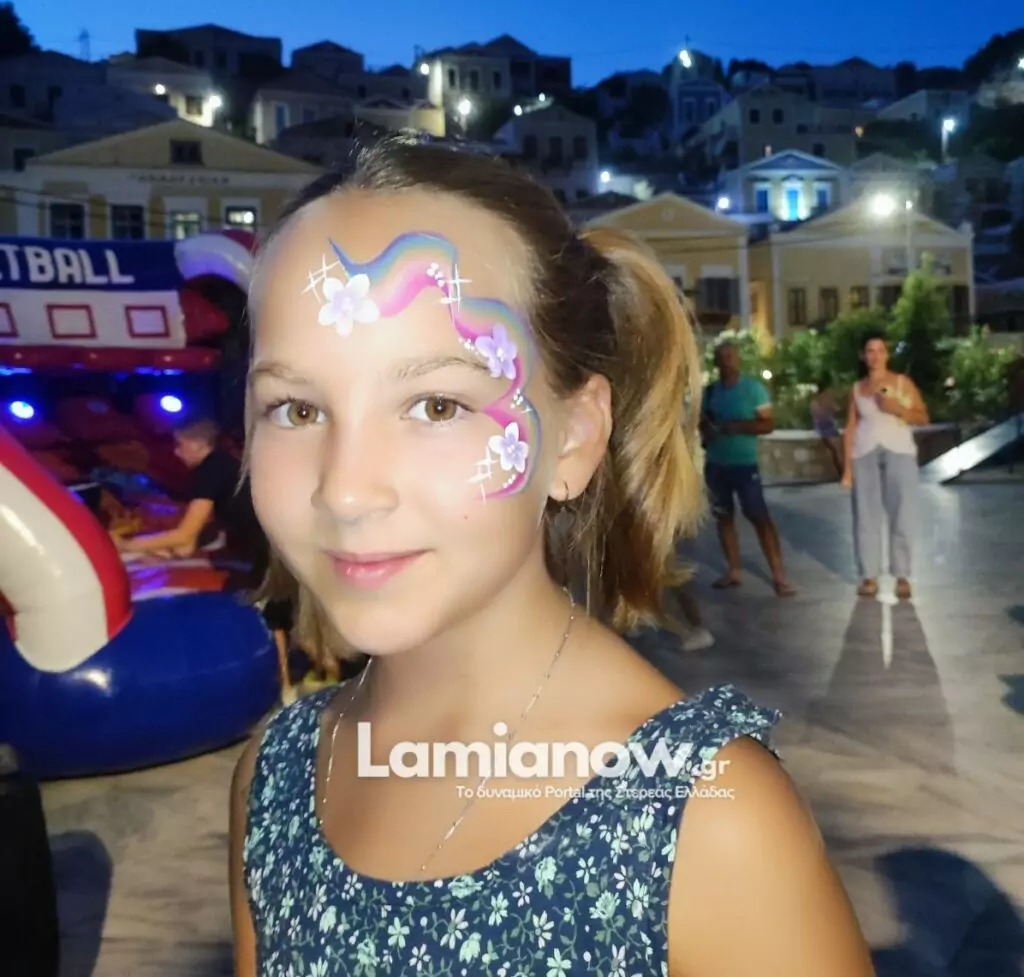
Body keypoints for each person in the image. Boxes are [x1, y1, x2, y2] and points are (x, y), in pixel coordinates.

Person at [229, 137, 875, 977]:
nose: (346, 490)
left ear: (573, 436)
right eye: (296, 409)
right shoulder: (276, 778)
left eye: (436, 404)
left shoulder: (705, 821)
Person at [114, 416, 296, 699]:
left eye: (180, 444)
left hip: (276, 547)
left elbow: (184, 535)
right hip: (275, 544)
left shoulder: (211, 470)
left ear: (198, 444)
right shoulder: (224, 464)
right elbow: (186, 546)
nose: (176, 452)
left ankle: (292, 688)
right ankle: (298, 683)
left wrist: (127, 546)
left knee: (279, 616)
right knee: (281, 614)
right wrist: (146, 552)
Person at [700, 342, 796, 596]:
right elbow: (702, 423)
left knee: (759, 516)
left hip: (744, 466)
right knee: (723, 517)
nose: (727, 361)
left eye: (730, 356)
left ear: (738, 359)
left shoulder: (754, 389)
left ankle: (779, 575)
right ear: (716, 362)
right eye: (722, 357)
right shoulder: (710, 392)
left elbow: (768, 425)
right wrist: (707, 430)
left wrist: (737, 426)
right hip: (716, 465)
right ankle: (733, 571)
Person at [841, 332, 929, 600]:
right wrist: (847, 469)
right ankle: (869, 575)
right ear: (863, 356)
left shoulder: (902, 382)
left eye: (880, 350)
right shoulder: (857, 389)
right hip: (864, 452)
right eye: (870, 350)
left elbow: (923, 417)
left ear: (887, 354)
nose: (875, 356)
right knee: (865, 515)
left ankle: (902, 575)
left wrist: (896, 408)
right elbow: (850, 428)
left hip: (899, 451)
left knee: (902, 512)